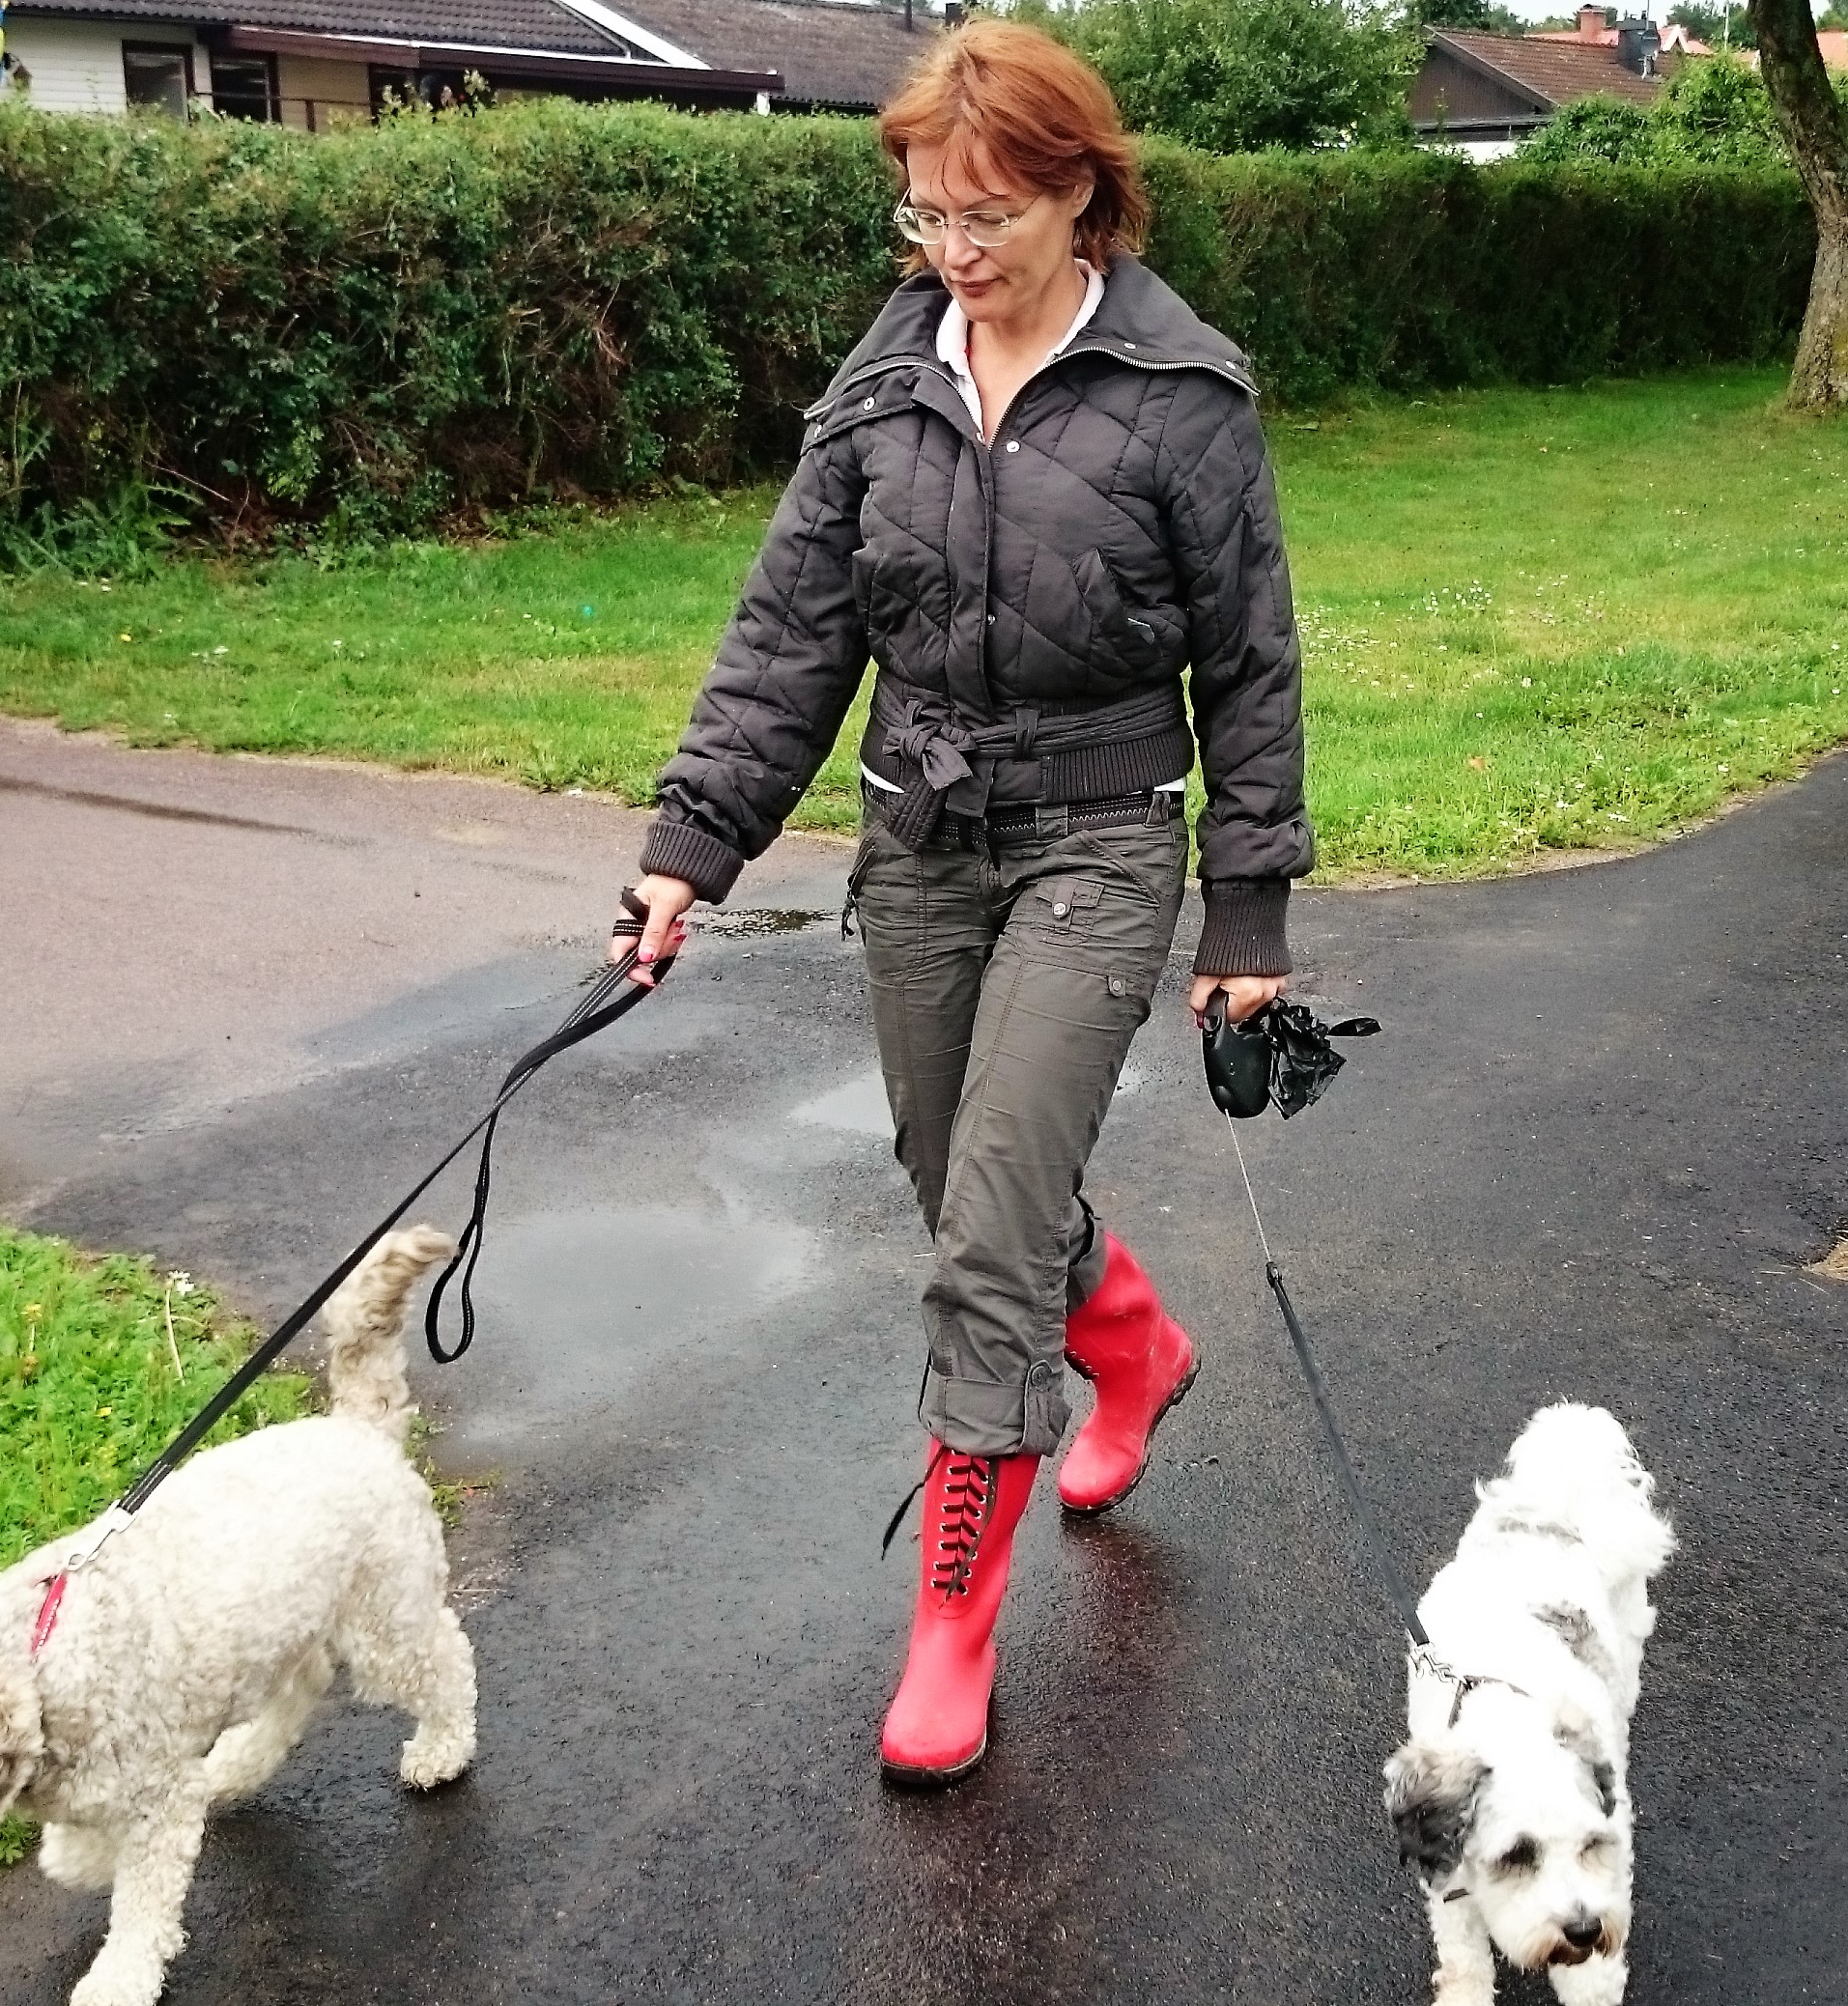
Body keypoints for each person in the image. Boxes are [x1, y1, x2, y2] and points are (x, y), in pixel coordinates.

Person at [612, 19, 1312, 1787]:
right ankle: (1133, 1344)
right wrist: (692, 843)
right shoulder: (882, 388)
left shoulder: (1183, 397)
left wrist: (1246, 922)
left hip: (1100, 838)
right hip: (920, 839)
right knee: (952, 1171)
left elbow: (1251, 666)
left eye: (989, 213)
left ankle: (952, 1620)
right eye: (926, 214)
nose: (954, 248)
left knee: (992, 1222)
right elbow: (793, 631)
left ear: (1083, 196)